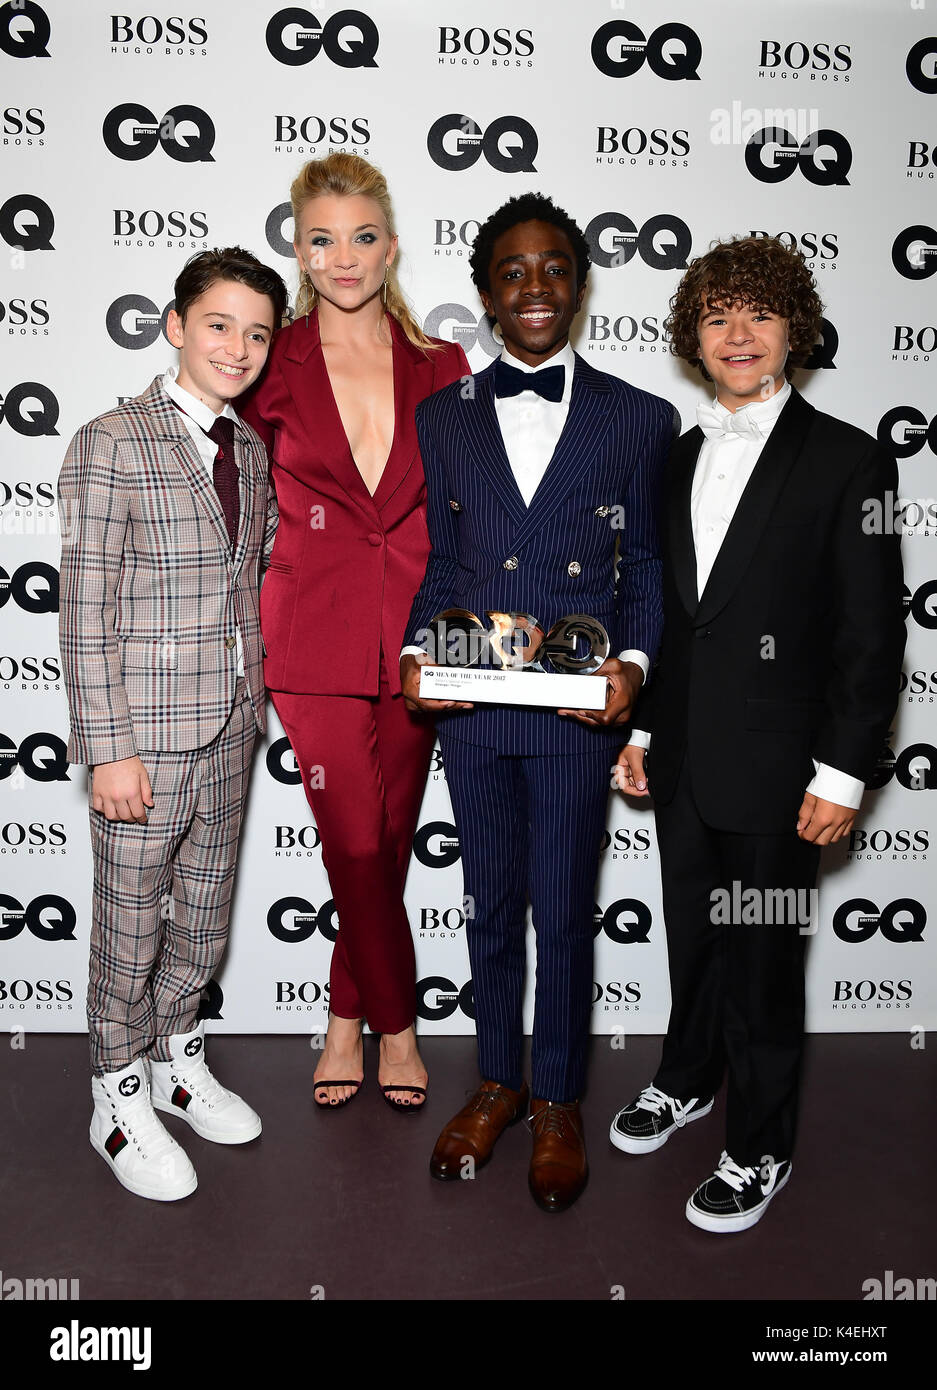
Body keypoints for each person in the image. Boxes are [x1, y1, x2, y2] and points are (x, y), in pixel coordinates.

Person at [613, 235, 905, 1232]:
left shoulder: (850, 458)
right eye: (717, 315)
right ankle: (686, 1076)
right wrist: (647, 730)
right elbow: (669, 615)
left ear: (793, 330)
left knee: (764, 961)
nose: (738, 333)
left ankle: (761, 1143)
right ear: (692, 335)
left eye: (759, 313)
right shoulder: (679, 454)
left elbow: (871, 635)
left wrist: (841, 771)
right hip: (686, 755)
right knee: (691, 938)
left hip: (786, 772)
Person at [401, 192, 672, 1211]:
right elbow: (440, 566)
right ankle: (498, 1083)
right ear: (484, 292)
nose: (534, 287)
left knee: (561, 913)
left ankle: (557, 1099)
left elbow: (643, 566)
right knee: (490, 911)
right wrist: (413, 653)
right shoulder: (445, 418)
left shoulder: (639, 418)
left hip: (572, 714)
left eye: (553, 267)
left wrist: (633, 668)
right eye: (512, 271)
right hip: (471, 713)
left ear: (580, 283)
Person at [239, 153, 469, 1110]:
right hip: (311, 635)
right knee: (357, 844)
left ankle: (341, 1020)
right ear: (298, 249)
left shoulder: (444, 365)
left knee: (387, 835)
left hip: (418, 636)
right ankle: (397, 1026)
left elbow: (465, 509)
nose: (344, 257)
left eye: (363, 236)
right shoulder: (268, 361)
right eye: (323, 239)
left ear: (393, 245)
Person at [58, 247, 288, 1201]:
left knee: (201, 916)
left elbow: (254, 581)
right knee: (128, 925)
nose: (239, 347)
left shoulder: (251, 447)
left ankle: (175, 1057)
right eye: (221, 325)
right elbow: (84, 608)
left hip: (232, 726)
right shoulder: (112, 439)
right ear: (177, 326)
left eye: (258, 332)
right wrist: (108, 748)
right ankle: (114, 1092)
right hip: (142, 743)